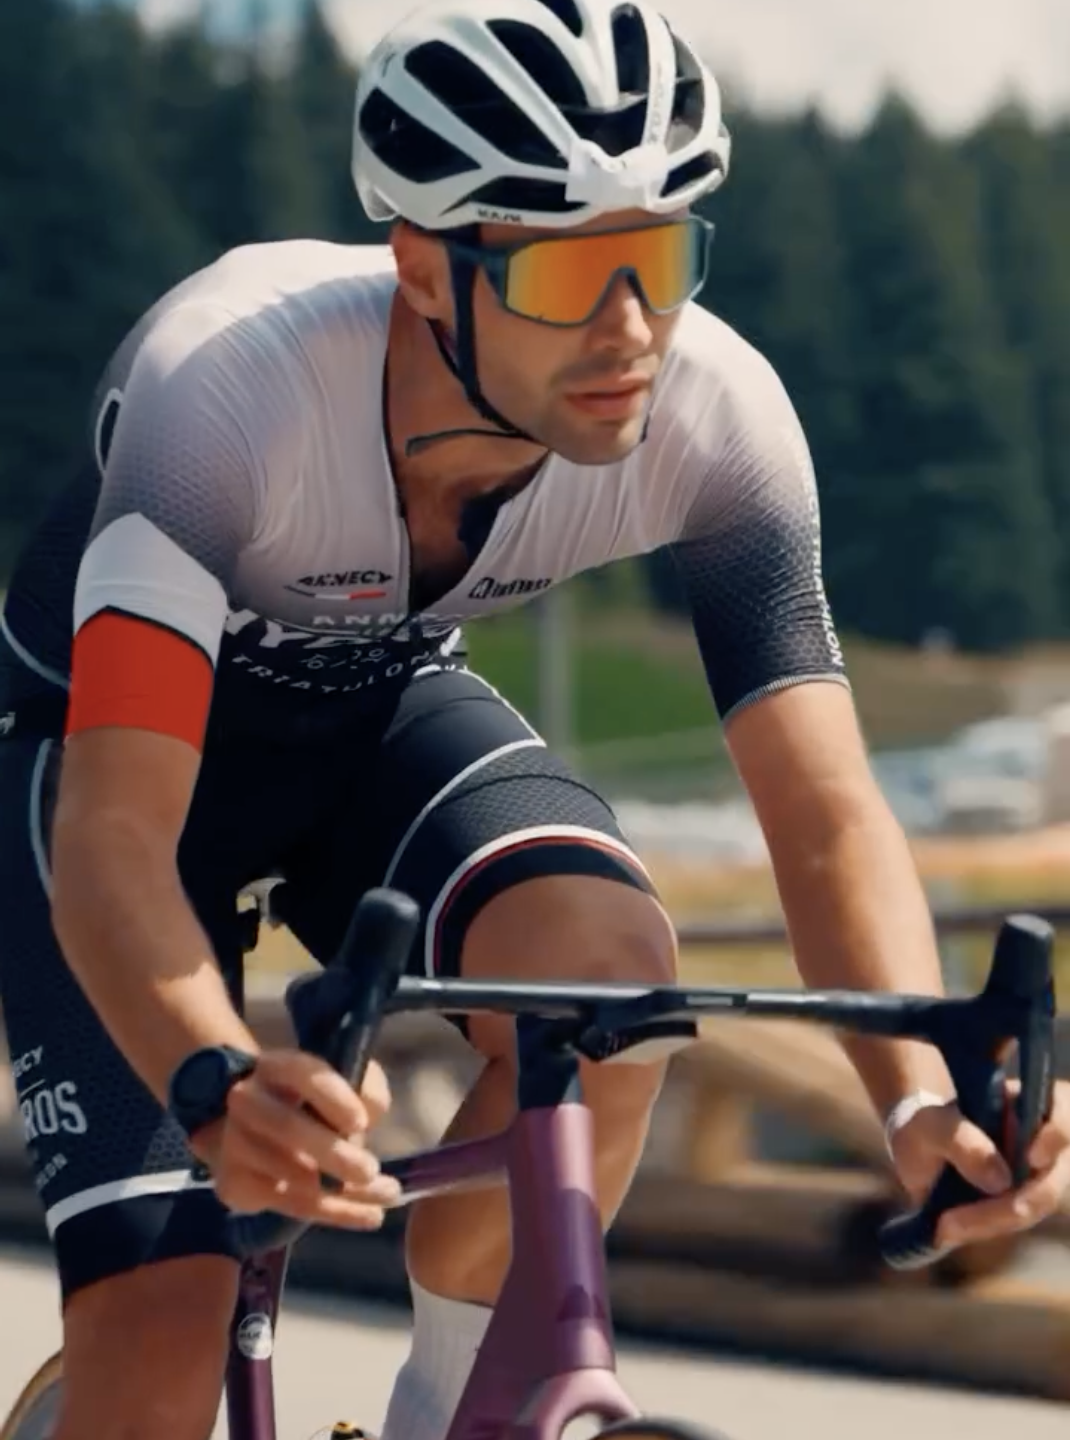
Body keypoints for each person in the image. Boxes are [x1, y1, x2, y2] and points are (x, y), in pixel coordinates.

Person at [0, 0, 1067, 1436]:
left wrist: (913, 1103)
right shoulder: (228, 391)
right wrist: (213, 1080)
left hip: (372, 703)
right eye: (566, 272)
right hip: (109, 769)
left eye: (657, 258)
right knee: (159, 1349)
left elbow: (822, 813)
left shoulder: (719, 416)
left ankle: (460, 1405)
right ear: (422, 268)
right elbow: (118, 834)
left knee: (612, 985)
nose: (628, 330)